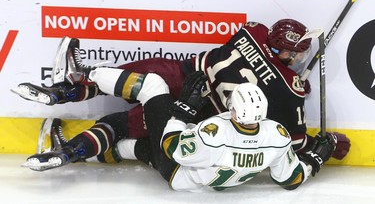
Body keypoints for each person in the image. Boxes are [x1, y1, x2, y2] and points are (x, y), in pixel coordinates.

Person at [14, 19, 350, 169]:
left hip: (184, 73)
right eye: (300, 51)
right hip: (196, 111)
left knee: (124, 76)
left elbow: (262, 55)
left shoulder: (255, 30)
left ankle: (66, 89)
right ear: (290, 54)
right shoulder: (291, 91)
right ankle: (71, 152)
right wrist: (328, 144)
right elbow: (293, 141)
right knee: (119, 124)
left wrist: (282, 67)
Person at [25, 70, 336, 192]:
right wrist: (315, 160)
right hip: (192, 181)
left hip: (176, 167)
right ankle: (69, 152)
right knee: (129, 146)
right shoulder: (277, 136)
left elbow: (173, 147)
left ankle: (75, 83)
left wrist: (184, 109)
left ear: (234, 109)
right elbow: (290, 179)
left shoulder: (215, 131)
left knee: (153, 86)